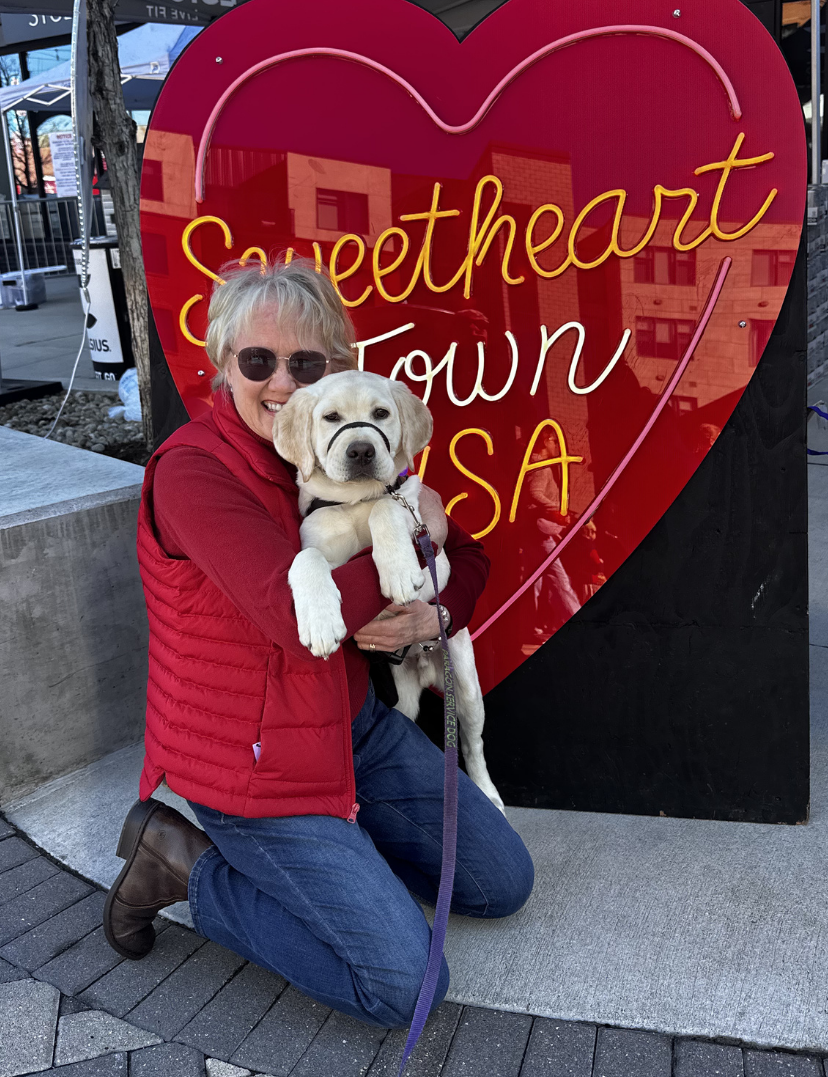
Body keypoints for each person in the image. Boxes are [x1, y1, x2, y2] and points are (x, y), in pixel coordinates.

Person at [104, 259, 534, 1029]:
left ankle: (343, 857)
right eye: (257, 361)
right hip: (250, 764)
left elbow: (465, 560)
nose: (280, 383)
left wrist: (434, 613)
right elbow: (292, 617)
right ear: (222, 365)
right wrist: (406, 525)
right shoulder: (192, 473)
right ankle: (180, 865)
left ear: (336, 367)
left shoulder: (356, 435)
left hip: (350, 731)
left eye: (304, 362)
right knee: (407, 987)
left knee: (503, 883)